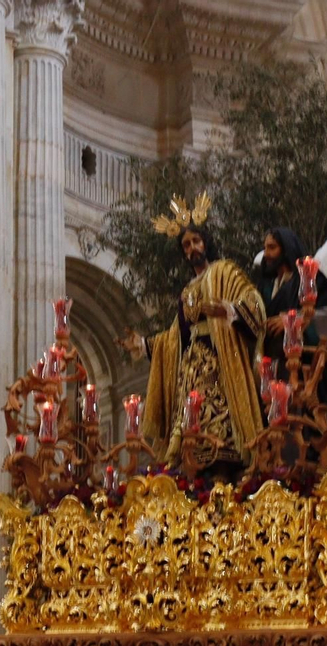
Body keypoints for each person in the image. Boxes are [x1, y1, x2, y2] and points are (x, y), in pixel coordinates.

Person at [119, 197, 266, 472]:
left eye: (196, 241)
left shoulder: (225, 271)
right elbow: (176, 335)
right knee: (189, 420)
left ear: (206, 242)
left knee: (219, 417)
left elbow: (253, 299)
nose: (192, 248)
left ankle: (225, 456)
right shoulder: (187, 291)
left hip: (221, 358)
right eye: (186, 245)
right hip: (191, 366)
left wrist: (229, 310)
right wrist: (144, 344)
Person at [257, 227, 327, 416]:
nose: (267, 254)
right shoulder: (264, 287)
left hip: (302, 372)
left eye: (272, 248)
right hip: (272, 370)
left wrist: (290, 321)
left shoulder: (310, 278)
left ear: (286, 248)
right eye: (265, 248)